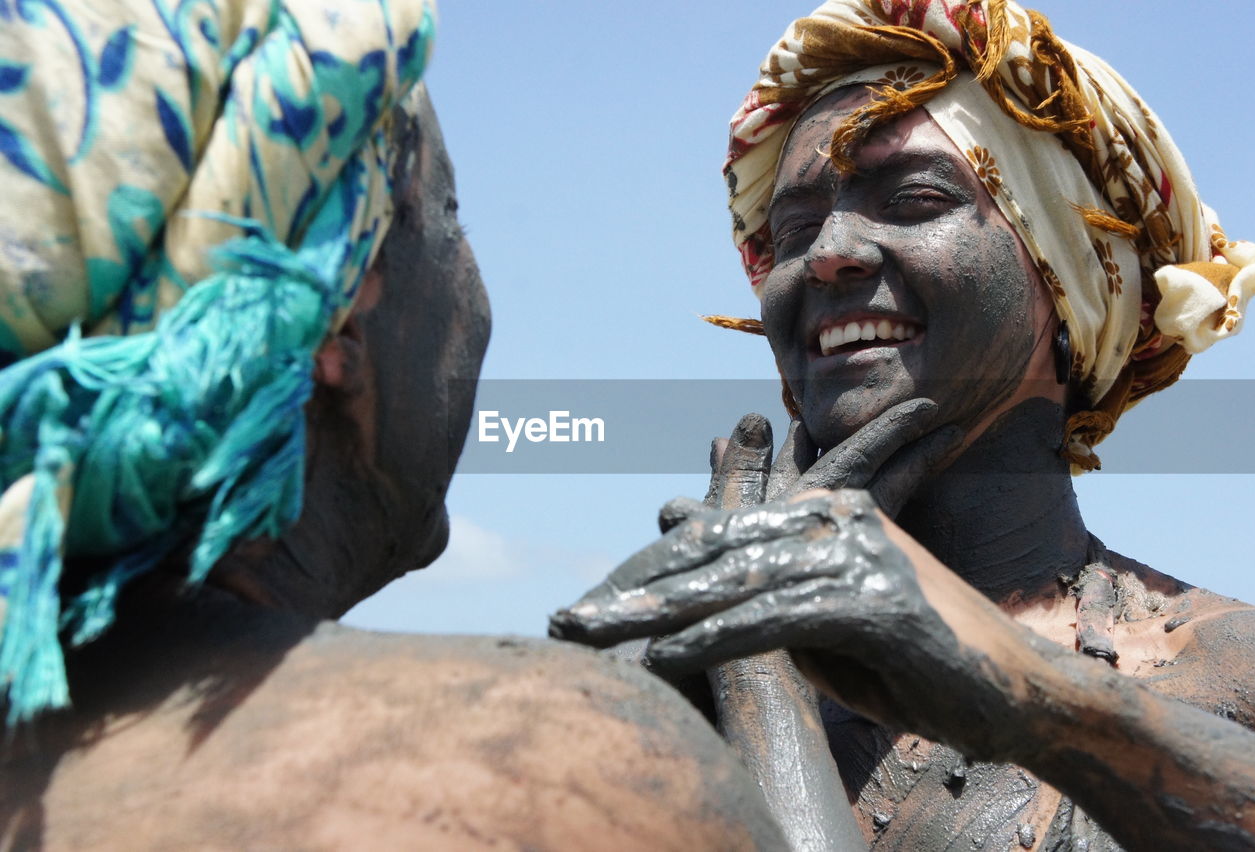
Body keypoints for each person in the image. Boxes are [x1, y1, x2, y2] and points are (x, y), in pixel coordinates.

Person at [0, 2, 787, 848]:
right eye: (453, 220)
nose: (484, 298)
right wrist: (768, 667)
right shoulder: (544, 773)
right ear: (338, 323)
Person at [552, 1, 1255, 849]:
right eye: (791, 230)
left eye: (914, 199)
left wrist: (761, 661)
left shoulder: (1233, 680)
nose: (827, 251)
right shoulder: (651, 672)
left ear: (1066, 281)